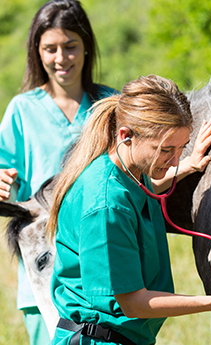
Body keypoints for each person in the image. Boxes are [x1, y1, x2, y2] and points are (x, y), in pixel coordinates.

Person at [46, 74, 211, 345]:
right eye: (166, 150)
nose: (174, 158)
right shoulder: (104, 206)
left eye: (181, 147)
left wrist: (187, 164)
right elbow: (133, 302)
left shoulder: (126, 172)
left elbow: (145, 186)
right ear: (125, 135)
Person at [0, 1, 117, 344]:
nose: (61, 58)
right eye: (50, 48)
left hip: (104, 266)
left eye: (70, 46)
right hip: (44, 273)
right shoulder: (22, 111)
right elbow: (5, 181)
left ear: (86, 48)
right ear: (37, 51)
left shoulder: (110, 105)